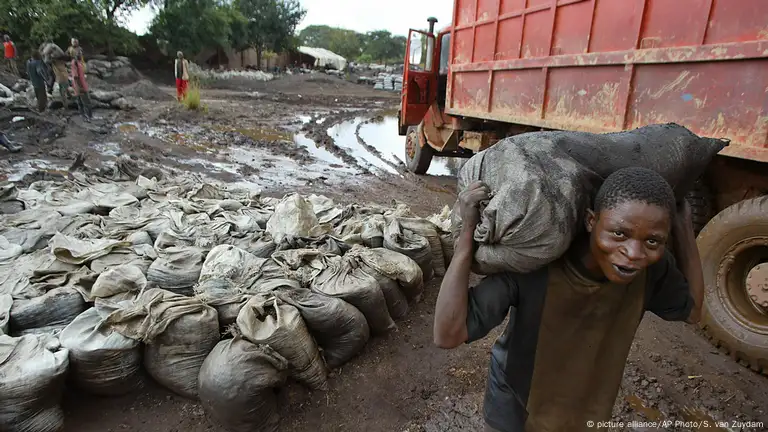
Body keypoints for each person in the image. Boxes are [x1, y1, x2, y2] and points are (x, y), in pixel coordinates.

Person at [433, 167, 705, 432]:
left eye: (653, 241)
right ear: (590, 221)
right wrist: (466, 237)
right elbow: (448, 333)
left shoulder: (652, 271)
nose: (634, 253)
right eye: (619, 233)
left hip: (586, 409)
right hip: (516, 405)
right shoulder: (537, 265)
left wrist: (684, 229)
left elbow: (691, 311)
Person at [69, 41, 92, 121]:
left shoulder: (78, 62)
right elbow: (75, 77)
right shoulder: (74, 63)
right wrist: (80, 87)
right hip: (80, 86)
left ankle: (83, 116)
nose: (81, 53)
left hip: (78, 86)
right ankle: (87, 117)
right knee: (86, 102)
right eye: (79, 52)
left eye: (81, 52)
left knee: (80, 101)